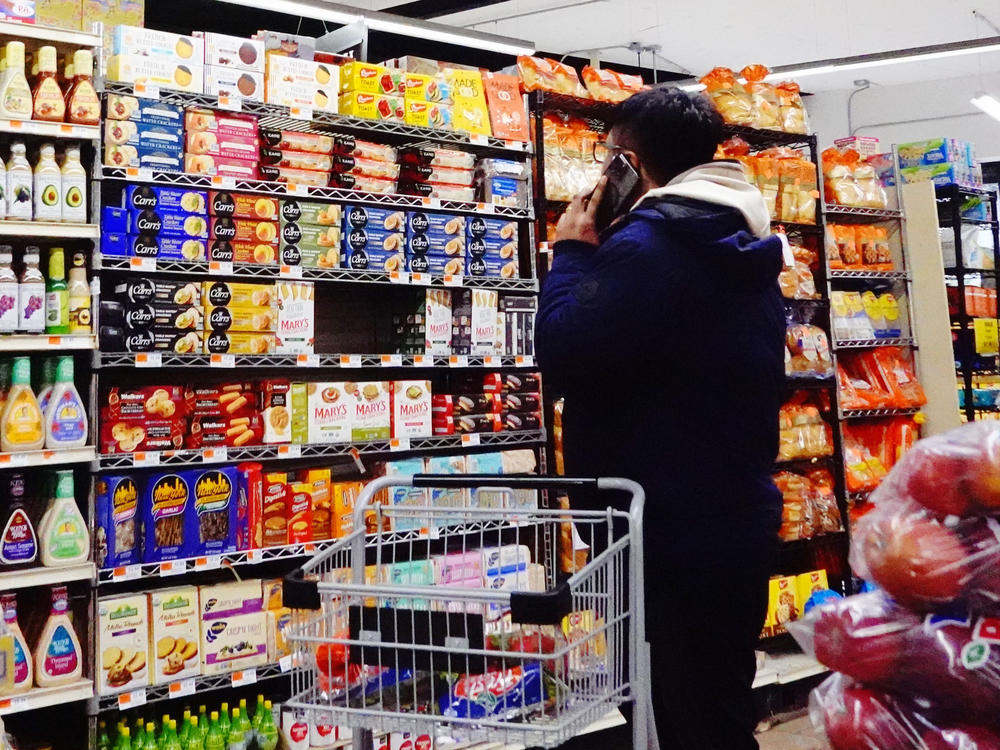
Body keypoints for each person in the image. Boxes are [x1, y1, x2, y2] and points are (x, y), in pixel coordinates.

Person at [535, 86, 785, 750]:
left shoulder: (649, 248)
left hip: (663, 531)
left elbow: (563, 350)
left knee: (677, 713)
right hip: (728, 518)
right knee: (713, 705)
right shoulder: (741, 241)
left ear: (629, 162)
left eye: (608, 156)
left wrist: (571, 255)